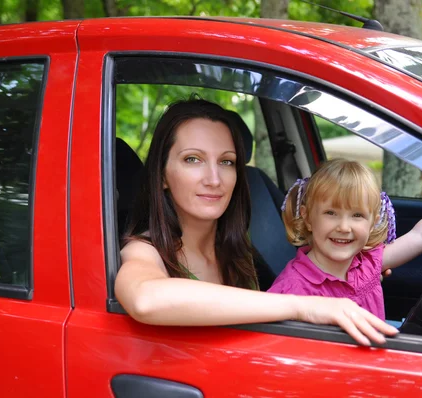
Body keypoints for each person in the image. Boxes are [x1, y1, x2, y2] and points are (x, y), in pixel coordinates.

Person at [114, 98, 398, 346]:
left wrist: (351, 270)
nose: (214, 179)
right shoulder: (145, 250)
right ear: (162, 175)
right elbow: (145, 299)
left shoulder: (236, 244)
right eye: (193, 159)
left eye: (226, 162)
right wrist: (303, 307)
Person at [268, 159, 422, 321]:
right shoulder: (291, 290)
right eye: (331, 213)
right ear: (307, 217)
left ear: (372, 222)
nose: (344, 227)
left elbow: (421, 235)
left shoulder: (367, 263)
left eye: (357, 215)